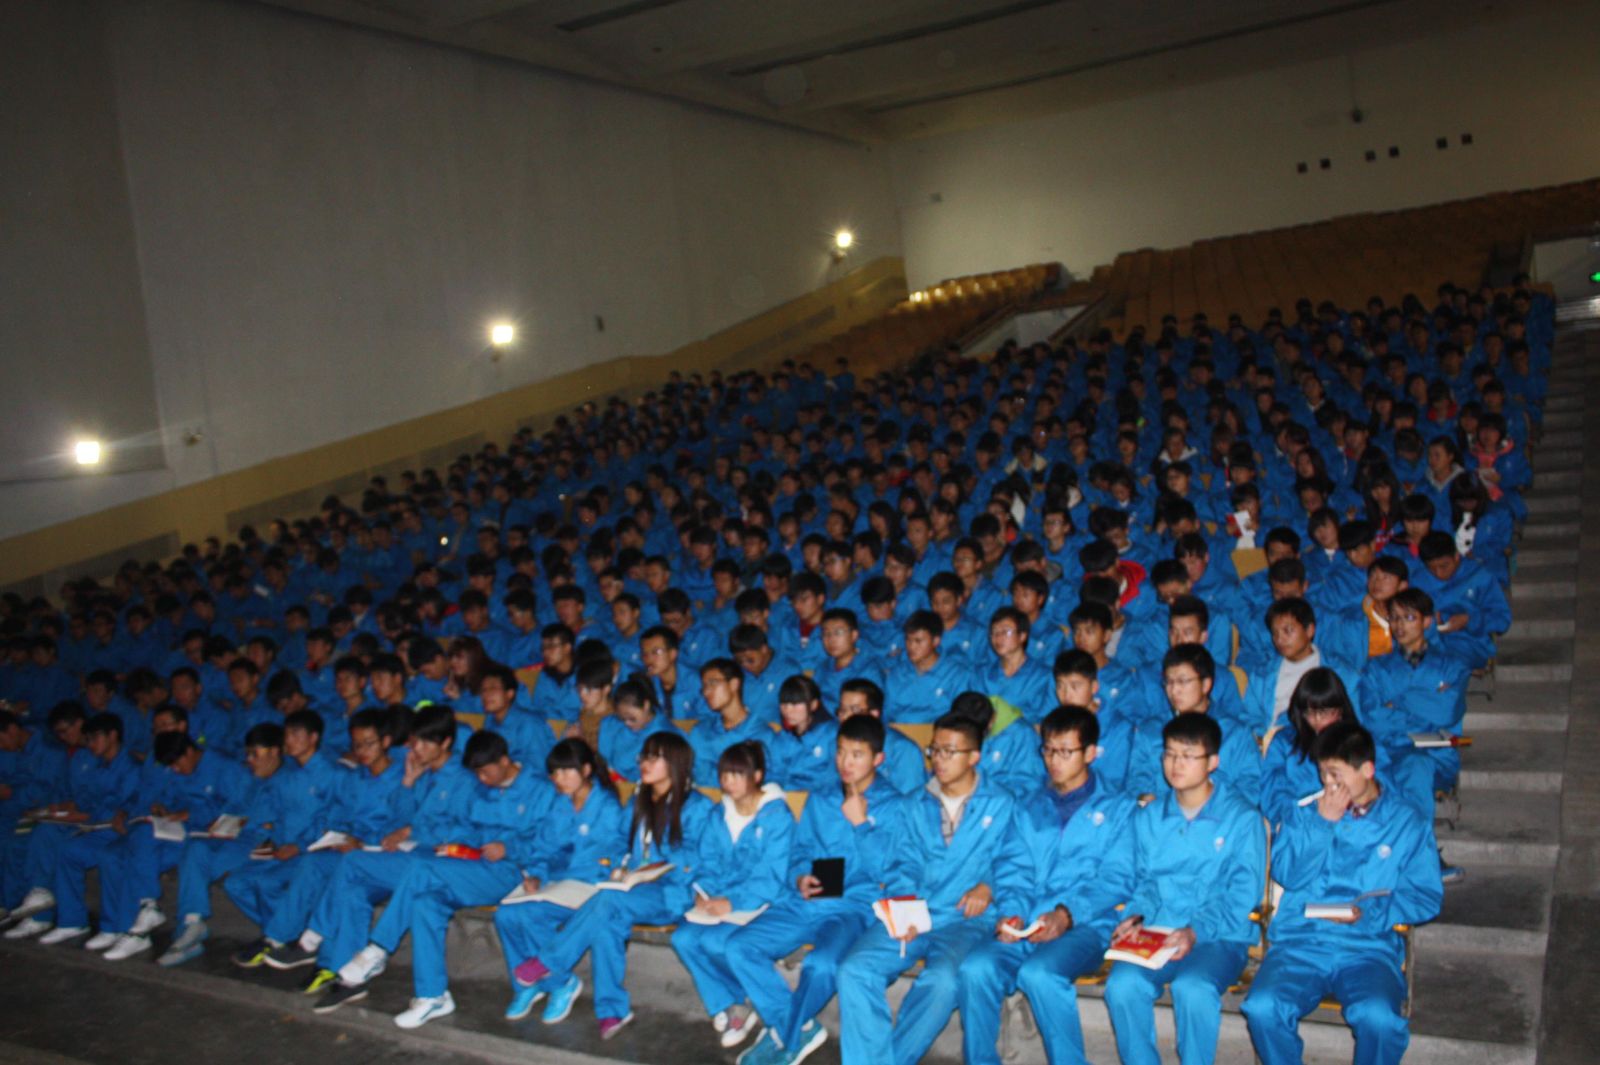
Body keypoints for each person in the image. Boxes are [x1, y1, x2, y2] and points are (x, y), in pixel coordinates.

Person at [323, 729, 558, 1028]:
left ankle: (378, 948)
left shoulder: (539, 789)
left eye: (486, 772)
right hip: (475, 866)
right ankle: (433, 996)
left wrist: (509, 848)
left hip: (512, 872)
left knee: (421, 869)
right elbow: (469, 828)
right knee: (426, 903)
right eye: (477, 774)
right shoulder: (482, 788)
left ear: (504, 761)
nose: (482, 779)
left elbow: (547, 841)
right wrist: (454, 844)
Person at [1242, 722, 1443, 1065]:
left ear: (1367, 770)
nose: (1328, 784)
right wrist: (1322, 824)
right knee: (1262, 1007)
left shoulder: (1406, 822)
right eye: (1323, 773)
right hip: (1300, 942)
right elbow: (1287, 874)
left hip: (1368, 947)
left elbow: (1425, 895)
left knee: (1379, 1018)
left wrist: (1372, 912)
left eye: (1336, 774)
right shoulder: (1305, 811)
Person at [957, 706, 1138, 1065]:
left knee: (1040, 974)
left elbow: (1116, 879)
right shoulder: (1028, 805)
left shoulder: (1120, 808)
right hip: (1029, 921)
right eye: (1048, 750)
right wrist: (1013, 913)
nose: (1054, 760)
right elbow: (1014, 868)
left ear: (1090, 753)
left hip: (1087, 924)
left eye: (1065, 751)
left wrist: (1066, 915)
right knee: (974, 970)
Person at [834, 710, 1017, 1065]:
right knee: (855, 969)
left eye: (950, 751)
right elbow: (902, 864)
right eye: (935, 750)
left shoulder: (1001, 803)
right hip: (918, 911)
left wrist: (989, 886)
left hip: (965, 919)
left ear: (974, 756)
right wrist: (905, 910)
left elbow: (1015, 860)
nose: (939, 759)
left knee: (943, 981)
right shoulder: (914, 802)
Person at [509, 731, 714, 1040]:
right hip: (636, 889)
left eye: (653, 758)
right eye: (643, 757)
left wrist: (659, 866)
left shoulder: (697, 806)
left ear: (675, 762)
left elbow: (700, 858)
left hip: (673, 892)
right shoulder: (639, 799)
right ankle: (612, 1011)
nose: (644, 763)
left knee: (608, 902)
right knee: (607, 921)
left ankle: (549, 960)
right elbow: (620, 841)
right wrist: (619, 865)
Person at [727, 714, 908, 1065]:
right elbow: (799, 851)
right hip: (808, 900)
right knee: (739, 946)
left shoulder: (894, 805)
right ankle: (795, 1028)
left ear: (878, 759)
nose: (845, 762)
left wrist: (861, 824)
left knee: (823, 964)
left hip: (853, 908)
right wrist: (800, 877)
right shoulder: (821, 796)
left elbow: (889, 872)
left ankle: (784, 1036)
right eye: (840, 752)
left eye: (857, 754)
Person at [252, 706, 472, 989]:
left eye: (423, 742)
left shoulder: (462, 779)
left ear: (445, 743)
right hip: (392, 857)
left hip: (418, 862)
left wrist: (388, 837)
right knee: (349, 889)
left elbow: (453, 830)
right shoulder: (419, 773)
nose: (414, 748)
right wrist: (408, 783)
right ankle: (340, 972)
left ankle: (310, 939)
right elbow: (404, 816)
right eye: (414, 741)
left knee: (350, 864)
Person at [1104, 713, 1268, 1065]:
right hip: (1160, 931)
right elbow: (1145, 881)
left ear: (1212, 762)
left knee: (1193, 988)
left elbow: (1242, 894)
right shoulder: (1150, 816)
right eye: (1169, 754)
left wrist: (1197, 930)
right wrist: (1136, 916)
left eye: (1188, 755)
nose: (1176, 764)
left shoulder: (1242, 818)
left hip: (1219, 936)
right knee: (1122, 985)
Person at [227, 708, 406, 967]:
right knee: (251, 880)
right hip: (342, 848)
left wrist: (361, 842)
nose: (361, 751)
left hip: (376, 853)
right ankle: (287, 936)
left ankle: (283, 939)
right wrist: (334, 835)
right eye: (357, 745)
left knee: (315, 868)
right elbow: (336, 815)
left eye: (369, 743)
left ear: (386, 741)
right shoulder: (354, 777)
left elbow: (402, 824)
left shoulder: (401, 778)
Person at [671, 741, 796, 1049]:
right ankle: (732, 1001)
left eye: (737, 774)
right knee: (683, 938)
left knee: (716, 942)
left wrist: (732, 902)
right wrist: (702, 890)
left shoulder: (776, 815)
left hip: (764, 902)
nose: (729, 782)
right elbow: (707, 861)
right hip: (724, 901)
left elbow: (771, 878)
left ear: (758, 776)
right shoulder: (719, 813)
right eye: (724, 775)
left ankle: (740, 1004)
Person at [495, 738, 628, 1020]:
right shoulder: (560, 804)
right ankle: (528, 986)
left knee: (531, 915)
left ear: (586, 770)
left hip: (589, 886)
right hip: (557, 882)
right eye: (555, 772)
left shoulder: (607, 807)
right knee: (506, 914)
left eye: (567, 771)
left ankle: (560, 984)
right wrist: (535, 875)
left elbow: (611, 857)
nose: (560, 778)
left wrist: (572, 869)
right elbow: (543, 847)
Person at [837, 679, 925, 795]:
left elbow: (911, 799)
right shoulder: (838, 741)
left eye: (855, 710)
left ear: (874, 714)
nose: (846, 717)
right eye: (843, 710)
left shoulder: (903, 750)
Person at [882, 611, 973, 723]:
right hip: (899, 731)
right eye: (908, 639)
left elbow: (960, 719)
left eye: (918, 641)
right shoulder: (897, 674)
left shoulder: (957, 675)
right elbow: (887, 717)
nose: (911, 646)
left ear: (935, 641)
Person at [597, 677, 683, 784]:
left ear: (646, 705)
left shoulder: (665, 734)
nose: (627, 723)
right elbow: (603, 759)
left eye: (632, 718)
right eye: (622, 719)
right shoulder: (611, 724)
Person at [767, 675, 838, 792]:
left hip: (820, 797)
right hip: (787, 797)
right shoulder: (781, 738)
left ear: (813, 704)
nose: (788, 711)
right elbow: (774, 775)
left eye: (795, 704)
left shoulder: (832, 734)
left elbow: (833, 777)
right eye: (784, 704)